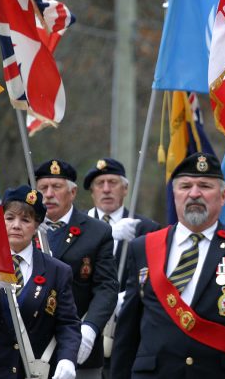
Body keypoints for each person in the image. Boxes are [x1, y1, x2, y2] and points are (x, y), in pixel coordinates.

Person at [111, 152, 225, 378]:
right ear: (174, 194)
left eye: (204, 185)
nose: (194, 194)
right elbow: (128, 330)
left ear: (223, 196)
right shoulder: (144, 247)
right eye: (185, 186)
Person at [0, 185, 81, 379]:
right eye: (10, 218)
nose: (16, 225)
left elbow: (68, 323)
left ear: (36, 226)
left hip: (29, 370)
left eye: (25, 220)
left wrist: (68, 358)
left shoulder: (57, 271)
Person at [35, 159, 119, 379]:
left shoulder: (97, 232)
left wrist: (90, 328)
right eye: (43, 188)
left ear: (72, 193)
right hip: (30, 347)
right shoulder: (24, 229)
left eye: (57, 187)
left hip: (80, 347)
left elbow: (106, 287)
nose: (49, 194)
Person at [82, 157, 161, 378]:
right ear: (91, 192)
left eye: (113, 182)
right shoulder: (78, 228)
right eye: (100, 184)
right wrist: (107, 234)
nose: (106, 189)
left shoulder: (146, 228)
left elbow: (156, 274)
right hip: (87, 328)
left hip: (129, 332)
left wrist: (128, 296)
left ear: (125, 188)